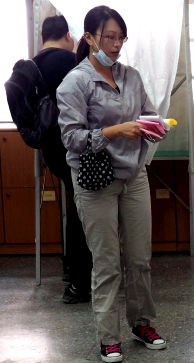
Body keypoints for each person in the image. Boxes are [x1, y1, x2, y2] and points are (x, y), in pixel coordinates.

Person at [56, 6, 166, 362]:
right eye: (109, 37)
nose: (117, 45)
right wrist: (117, 130)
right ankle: (109, 337)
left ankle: (142, 323)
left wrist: (155, 125)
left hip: (134, 175)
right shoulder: (75, 82)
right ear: (89, 38)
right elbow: (71, 139)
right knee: (106, 263)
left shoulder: (131, 76)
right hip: (94, 182)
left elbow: (146, 113)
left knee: (140, 259)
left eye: (121, 38)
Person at [34, 15, 93, 304]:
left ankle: (72, 272)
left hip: (50, 149)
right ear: (68, 36)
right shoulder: (71, 64)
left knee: (75, 206)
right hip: (75, 145)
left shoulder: (32, 65)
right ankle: (81, 281)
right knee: (84, 210)